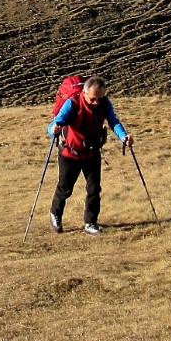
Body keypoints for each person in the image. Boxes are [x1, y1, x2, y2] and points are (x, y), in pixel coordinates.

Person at [47, 75, 133, 235]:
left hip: (92, 153)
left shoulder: (104, 103)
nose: (96, 103)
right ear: (84, 93)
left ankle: (91, 222)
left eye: (99, 99)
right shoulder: (72, 104)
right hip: (70, 154)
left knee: (94, 189)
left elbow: (114, 122)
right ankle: (55, 214)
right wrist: (54, 130)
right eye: (93, 99)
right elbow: (55, 124)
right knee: (65, 189)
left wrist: (124, 136)